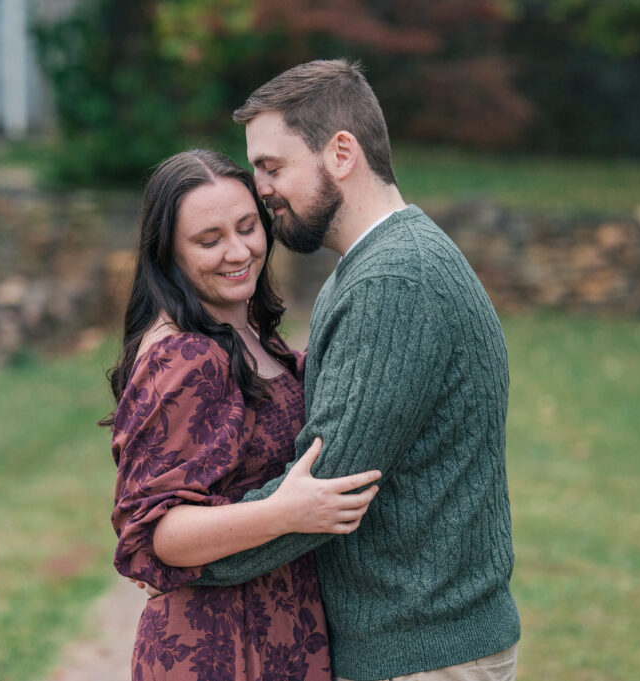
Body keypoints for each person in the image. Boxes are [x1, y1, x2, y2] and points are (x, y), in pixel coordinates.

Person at [192, 60, 522, 681]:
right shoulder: (377, 264)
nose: (260, 188)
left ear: (341, 152)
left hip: (422, 653)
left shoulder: (395, 280)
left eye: (272, 166)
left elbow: (325, 488)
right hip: (423, 645)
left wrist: (185, 555)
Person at [107, 149, 382, 680]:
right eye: (209, 241)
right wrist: (286, 513)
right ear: (168, 255)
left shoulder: (246, 333)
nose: (238, 252)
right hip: (222, 647)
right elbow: (161, 532)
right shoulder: (184, 356)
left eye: (247, 227)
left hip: (280, 626)